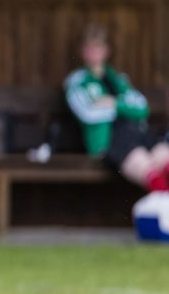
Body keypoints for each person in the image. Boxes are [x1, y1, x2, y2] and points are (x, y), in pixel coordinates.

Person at [65, 24, 168, 191]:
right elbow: (88, 114)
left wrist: (112, 103)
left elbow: (142, 108)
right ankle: (162, 199)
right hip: (108, 140)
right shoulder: (77, 81)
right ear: (82, 51)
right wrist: (124, 106)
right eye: (89, 47)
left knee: (163, 154)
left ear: (106, 50)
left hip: (135, 133)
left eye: (98, 46)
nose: (94, 52)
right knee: (144, 163)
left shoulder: (118, 79)